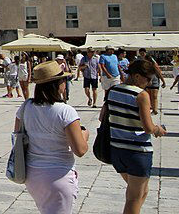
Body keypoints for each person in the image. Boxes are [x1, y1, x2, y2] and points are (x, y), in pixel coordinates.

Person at [13, 60, 88, 214]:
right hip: (58, 175)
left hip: (33, 174)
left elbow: (17, 137)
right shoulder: (66, 111)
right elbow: (80, 150)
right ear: (57, 84)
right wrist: (85, 134)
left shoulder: (26, 107)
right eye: (63, 80)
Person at [100, 58, 166, 214]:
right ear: (136, 76)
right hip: (137, 152)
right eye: (147, 78)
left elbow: (102, 116)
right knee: (133, 198)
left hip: (116, 150)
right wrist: (159, 130)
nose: (149, 83)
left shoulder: (113, 90)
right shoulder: (141, 95)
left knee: (142, 191)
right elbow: (148, 128)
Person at [136, 49, 165, 114]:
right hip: (145, 79)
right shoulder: (139, 61)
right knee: (148, 95)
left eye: (143, 53)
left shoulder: (151, 61)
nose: (142, 54)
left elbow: (158, 71)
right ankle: (149, 108)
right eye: (141, 53)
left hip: (154, 79)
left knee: (154, 95)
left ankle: (155, 110)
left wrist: (163, 80)